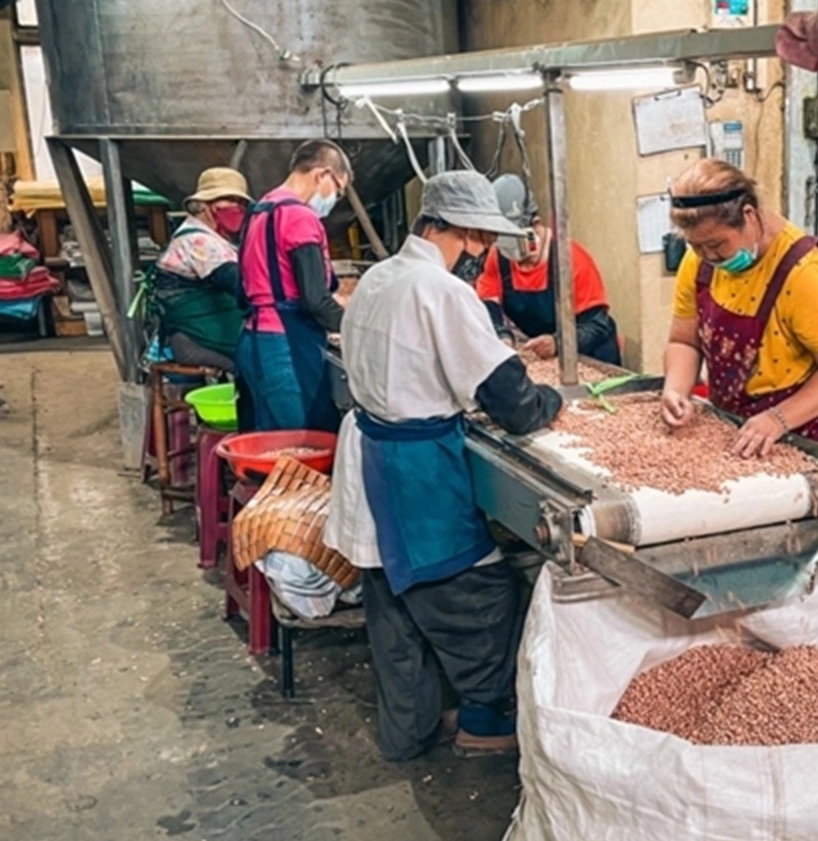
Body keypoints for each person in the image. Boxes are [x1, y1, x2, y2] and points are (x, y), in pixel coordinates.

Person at [324, 170, 563, 761]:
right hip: (416, 471)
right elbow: (511, 402)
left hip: (370, 451)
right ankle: (484, 720)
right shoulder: (442, 291)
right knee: (480, 599)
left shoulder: (378, 277)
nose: (483, 254)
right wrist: (551, 401)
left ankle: (409, 730)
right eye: (482, 240)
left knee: (393, 609)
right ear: (461, 231)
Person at [661, 158, 818, 457]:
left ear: (750, 215)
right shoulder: (700, 261)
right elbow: (684, 341)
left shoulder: (802, 274)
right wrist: (676, 389)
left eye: (717, 245)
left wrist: (777, 420)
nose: (709, 256)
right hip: (735, 425)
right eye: (696, 246)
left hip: (803, 431)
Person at [235, 139, 350, 433]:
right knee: (303, 441)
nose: (335, 199)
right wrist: (357, 328)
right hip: (285, 347)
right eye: (338, 190)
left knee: (266, 441)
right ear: (322, 174)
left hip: (252, 340)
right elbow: (315, 300)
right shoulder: (299, 217)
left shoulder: (259, 211)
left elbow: (243, 289)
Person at [474, 175, 622, 365]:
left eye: (514, 238)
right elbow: (489, 304)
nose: (509, 248)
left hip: (593, 352)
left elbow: (597, 324)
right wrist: (502, 337)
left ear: (535, 224)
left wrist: (557, 343)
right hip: (547, 356)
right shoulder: (498, 258)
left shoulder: (571, 259)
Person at [152, 167, 251, 373]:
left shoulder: (214, 237)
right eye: (229, 200)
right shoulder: (199, 241)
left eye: (241, 202)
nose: (237, 207)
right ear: (205, 205)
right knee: (260, 364)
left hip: (203, 334)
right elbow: (238, 283)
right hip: (198, 339)